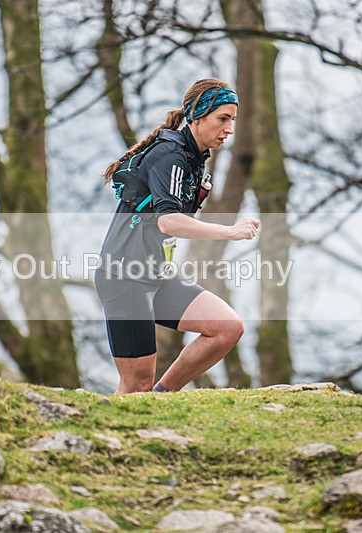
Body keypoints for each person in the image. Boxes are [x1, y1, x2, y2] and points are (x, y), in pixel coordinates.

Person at [96, 78, 260, 394]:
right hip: (125, 277)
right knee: (136, 385)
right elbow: (168, 222)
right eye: (222, 119)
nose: (229, 129)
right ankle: (114, 435)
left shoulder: (193, 158)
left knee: (226, 329)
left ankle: (162, 400)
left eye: (232, 120)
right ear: (197, 115)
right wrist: (230, 231)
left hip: (156, 277)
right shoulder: (170, 154)